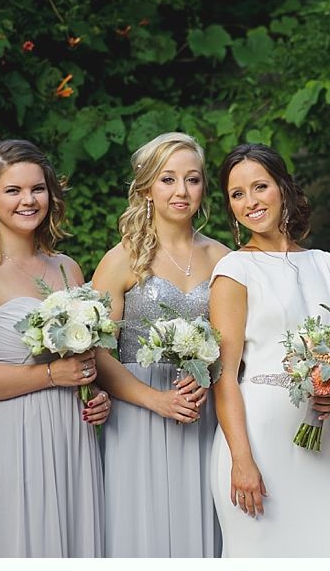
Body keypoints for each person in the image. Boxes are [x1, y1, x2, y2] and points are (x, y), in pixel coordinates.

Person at [0, 139, 109, 557]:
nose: (28, 200)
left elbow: (80, 361)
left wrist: (95, 393)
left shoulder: (67, 268)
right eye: (13, 190)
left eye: (37, 188)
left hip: (69, 433)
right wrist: (51, 375)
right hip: (6, 435)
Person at [208, 143, 330, 557]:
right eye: (237, 194)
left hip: (315, 445)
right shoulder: (234, 270)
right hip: (256, 440)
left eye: (260, 187)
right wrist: (242, 460)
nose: (250, 202)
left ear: (283, 187)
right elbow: (223, 375)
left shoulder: (326, 265)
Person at [91, 132, 230, 557]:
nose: (181, 191)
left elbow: (236, 344)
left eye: (192, 179)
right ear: (147, 188)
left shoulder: (224, 259)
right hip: (137, 414)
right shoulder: (122, 259)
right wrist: (155, 400)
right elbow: (97, 351)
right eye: (168, 179)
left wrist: (210, 376)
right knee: (141, 527)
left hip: (200, 411)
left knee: (200, 523)